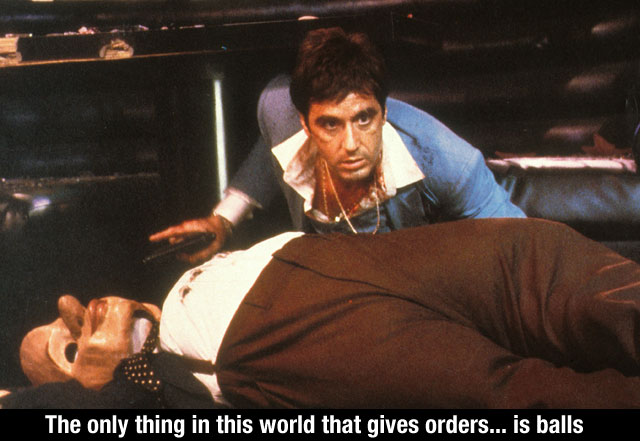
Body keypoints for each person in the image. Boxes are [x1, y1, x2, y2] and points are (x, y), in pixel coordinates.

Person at [4, 218, 640, 409]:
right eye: (67, 346)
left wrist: (226, 216)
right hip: (285, 340)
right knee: (522, 399)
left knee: (541, 259)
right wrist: (109, 387)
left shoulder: (178, 284)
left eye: (63, 317)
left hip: (336, 255)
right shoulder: (150, 387)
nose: (74, 314)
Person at [149, 27, 525, 263]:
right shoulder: (278, 111)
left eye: (364, 119)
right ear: (305, 123)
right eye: (330, 124)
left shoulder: (449, 162)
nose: (351, 145)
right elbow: (270, 151)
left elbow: (521, 247)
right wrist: (223, 220)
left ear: (383, 112)